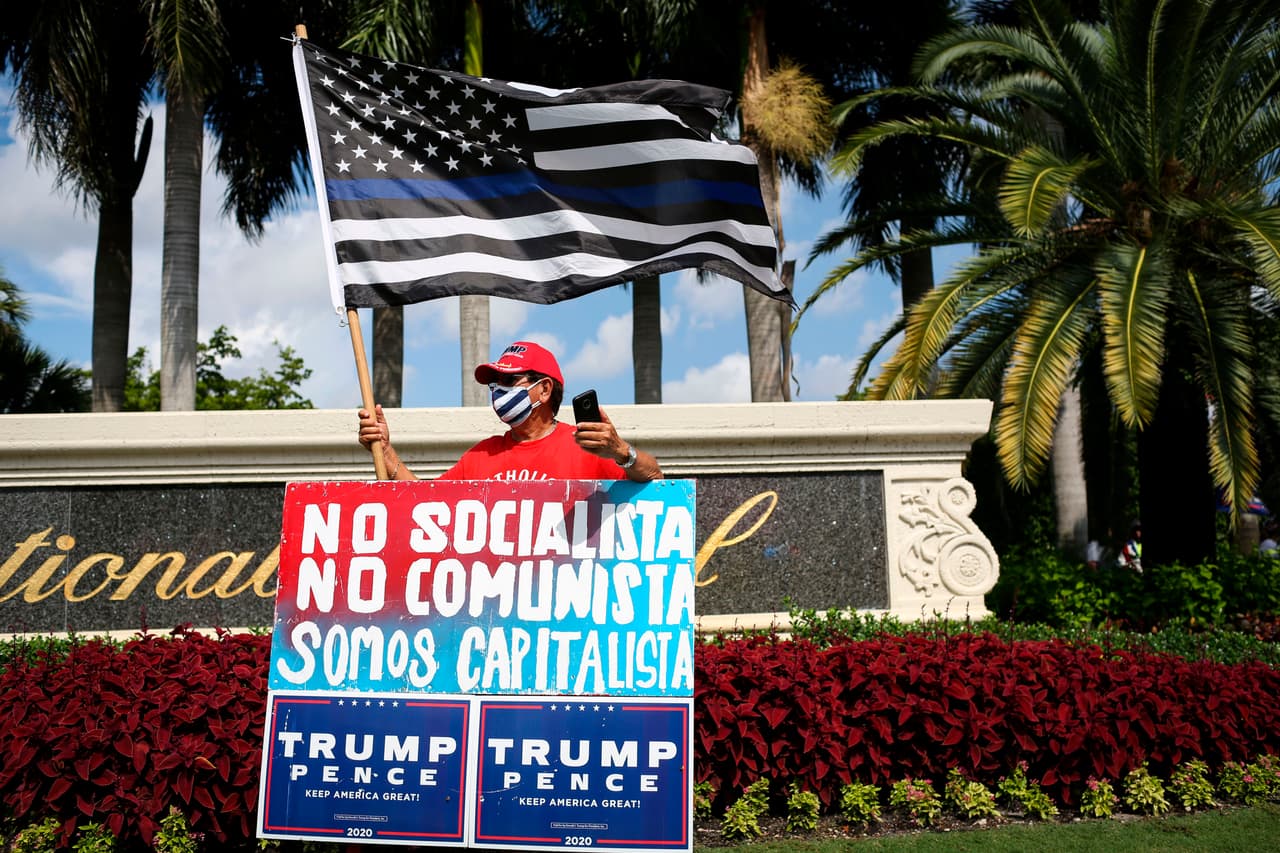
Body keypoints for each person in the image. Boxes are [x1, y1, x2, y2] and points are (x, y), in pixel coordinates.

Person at [357, 341, 663, 483]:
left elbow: (655, 480)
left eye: (508, 380)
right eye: (495, 382)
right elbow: (427, 506)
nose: (498, 389)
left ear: (544, 390)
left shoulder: (588, 445)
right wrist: (385, 452)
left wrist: (622, 451)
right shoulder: (482, 455)